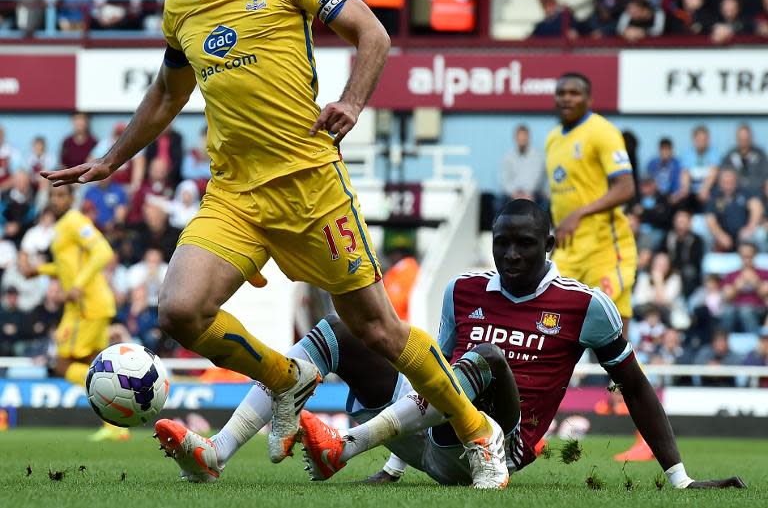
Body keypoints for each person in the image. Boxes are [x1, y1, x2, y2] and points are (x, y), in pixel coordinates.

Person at [42, 0, 505, 486]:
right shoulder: (180, 9)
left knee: (379, 330)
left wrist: (352, 101)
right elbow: (165, 93)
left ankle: (479, 432)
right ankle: (286, 378)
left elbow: (373, 32)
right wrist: (111, 159)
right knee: (180, 310)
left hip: (311, 187)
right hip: (235, 194)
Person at [152, 200, 745, 491]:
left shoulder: (585, 305)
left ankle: (347, 444)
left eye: (524, 245)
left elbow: (637, 387)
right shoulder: (463, 289)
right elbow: (423, 373)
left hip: (499, 447)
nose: (511, 255)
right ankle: (218, 452)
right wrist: (395, 464)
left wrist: (681, 480)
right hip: (434, 441)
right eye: (502, 243)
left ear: (549, 247)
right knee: (342, 327)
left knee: (484, 361)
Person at [545, 72, 645, 461]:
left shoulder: (603, 132)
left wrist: (580, 214)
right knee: (550, 339)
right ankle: (533, 433)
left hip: (608, 250)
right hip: (569, 252)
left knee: (618, 345)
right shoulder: (553, 139)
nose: (566, 98)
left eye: (574, 92)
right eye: (561, 92)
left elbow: (626, 188)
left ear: (588, 97)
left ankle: (645, 438)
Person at [20, 184, 121, 440]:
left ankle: (118, 412)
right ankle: (115, 426)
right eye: (52, 195)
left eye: (62, 195)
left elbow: (103, 252)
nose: (56, 200)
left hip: (86, 307)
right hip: (87, 307)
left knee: (61, 365)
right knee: (94, 365)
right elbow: (66, 268)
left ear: (72, 197)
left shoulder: (75, 221)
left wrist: (77, 285)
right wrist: (39, 271)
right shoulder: (63, 226)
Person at [499, 124, 546, 202]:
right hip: (512, 194)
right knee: (499, 201)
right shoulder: (508, 157)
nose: (522, 139)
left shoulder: (538, 156)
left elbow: (537, 179)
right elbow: (504, 180)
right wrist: (514, 194)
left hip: (532, 193)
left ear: (528, 137)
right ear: (515, 138)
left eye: (524, 136)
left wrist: (526, 194)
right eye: (519, 136)